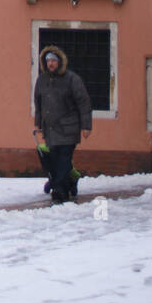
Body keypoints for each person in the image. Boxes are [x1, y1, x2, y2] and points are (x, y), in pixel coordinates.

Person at [33, 45, 92, 204]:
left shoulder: (72, 79)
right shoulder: (42, 80)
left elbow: (83, 103)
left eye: (53, 60)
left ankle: (59, 190)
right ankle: (70, 180)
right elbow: (38, 103)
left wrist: (86, 126)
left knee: (64, 159)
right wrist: (38, 124)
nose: (50, 63)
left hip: (68, 128)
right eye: (48, 61)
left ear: (60, 61)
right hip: (50, 129)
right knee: (54, 158)